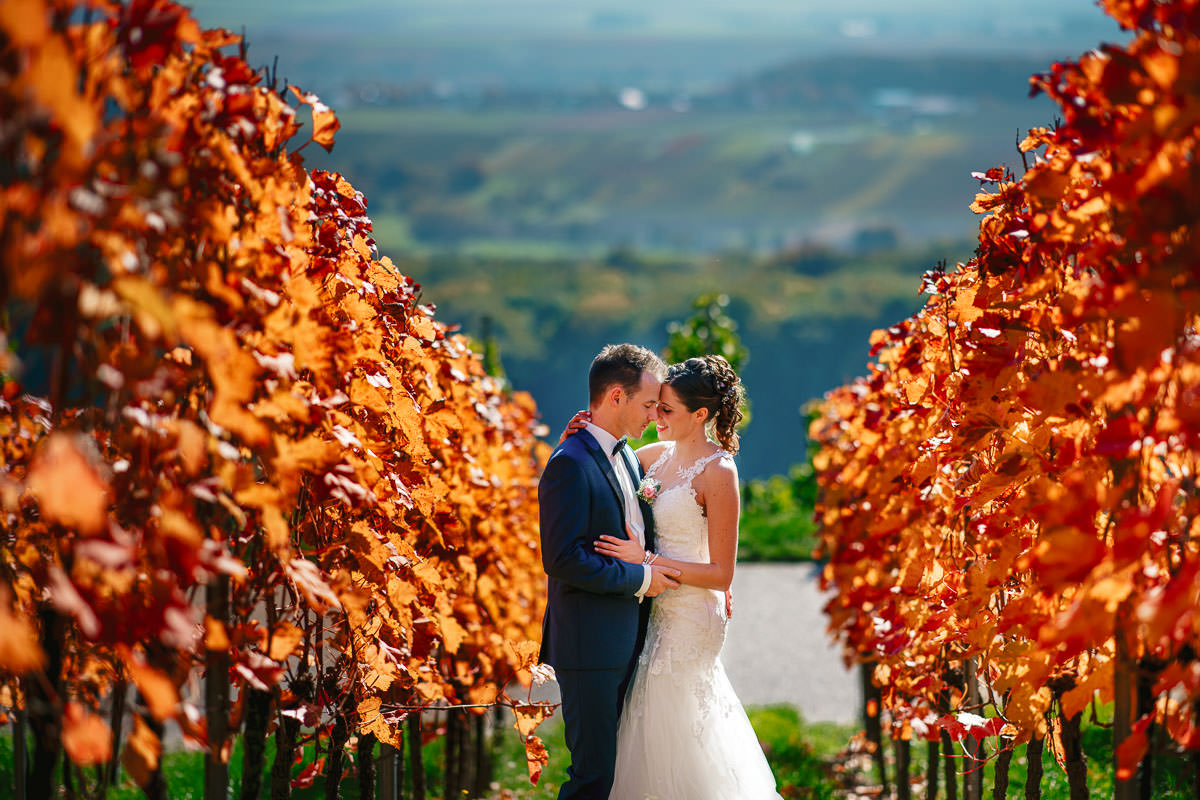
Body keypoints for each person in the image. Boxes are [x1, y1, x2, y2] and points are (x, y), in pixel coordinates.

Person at [565, 355, 783, 800]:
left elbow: (722, 574)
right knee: (646, 728)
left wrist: (645, 561)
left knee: (674, 725)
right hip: (655, 608)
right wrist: (580, 434)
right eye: (655, 407)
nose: (656, 418)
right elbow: (606, 454)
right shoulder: (653, 456)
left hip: (690, 616)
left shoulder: (719, 472)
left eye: (667, 410)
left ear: (700, 415)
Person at [538, 343, 683, 800]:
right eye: (647, 405)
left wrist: (702, 575)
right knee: (593, 777)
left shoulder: (622, 455)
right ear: (616, 397)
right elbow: (563, 560)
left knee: (622, 774)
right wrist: (642, 579)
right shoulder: (570, 463)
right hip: (591, 647)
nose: (653, 416)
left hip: (629, 638)